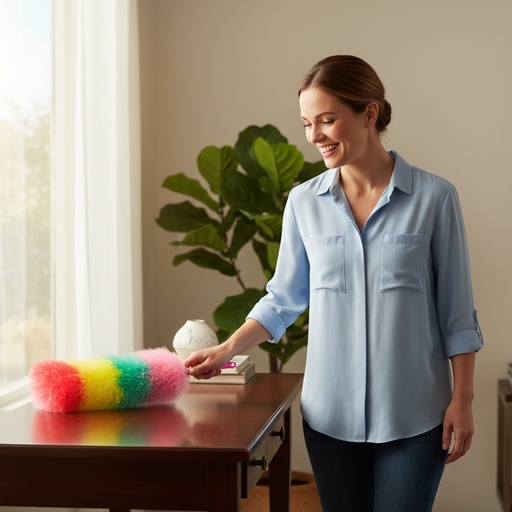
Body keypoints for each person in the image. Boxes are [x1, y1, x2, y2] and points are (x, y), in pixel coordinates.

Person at [184, 55, 483, 512]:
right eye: (307, 123)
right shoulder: (303, 203)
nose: (314, 136)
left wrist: (463, 399)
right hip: (329, 422)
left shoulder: (435, 198)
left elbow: (457, 313)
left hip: (417, 419)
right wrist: (226, 350)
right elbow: (283, 299)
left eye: (327, 120)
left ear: (369, 113)